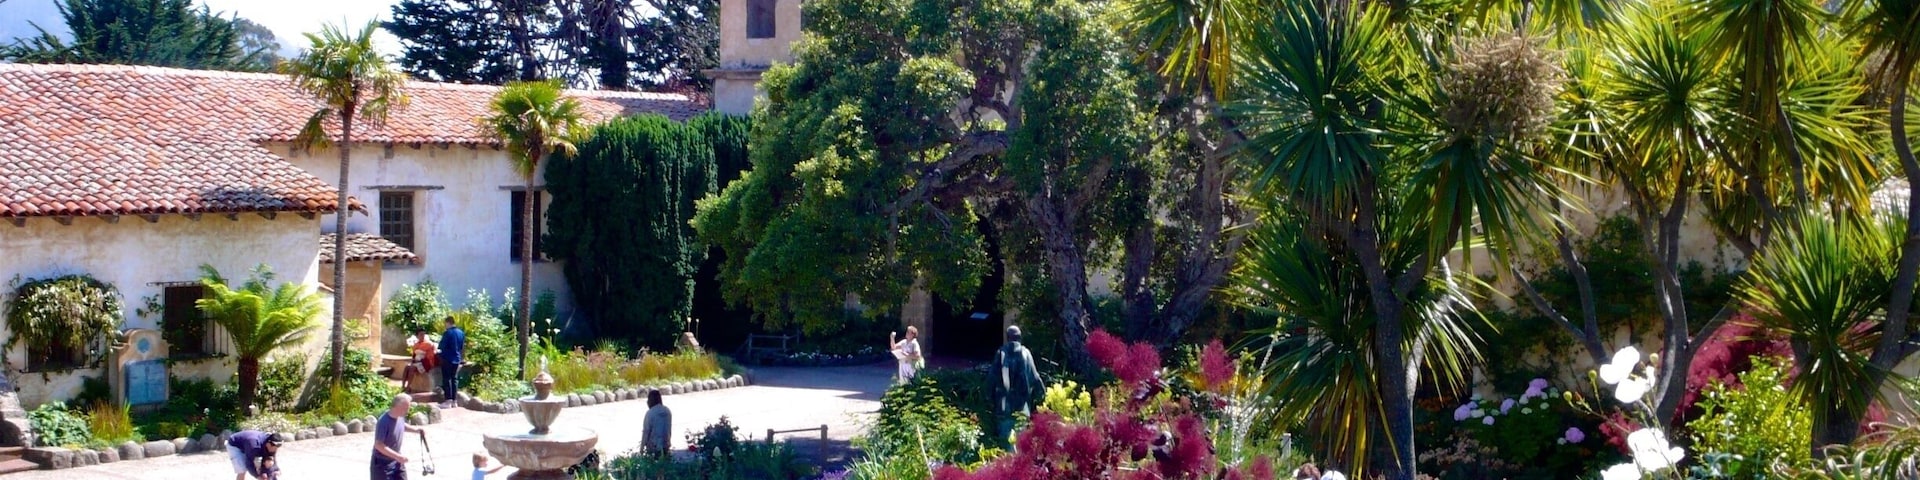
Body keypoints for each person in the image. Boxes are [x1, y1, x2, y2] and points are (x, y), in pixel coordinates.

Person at [988, 325, 1044, 450]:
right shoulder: (1026, 353)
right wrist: (1042, 396)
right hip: (1022, 406)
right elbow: (1035, 378)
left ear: (1008, 338)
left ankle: (1006, 465)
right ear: (1020, 337)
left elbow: (992, 378)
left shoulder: (1001, 353)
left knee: (1005, 440)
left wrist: (990, 399)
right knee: (1020, 440)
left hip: (1004, 406)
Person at [372, 393, 426, 480]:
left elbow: (401, 425)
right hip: (382, 464)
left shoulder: (399, 417)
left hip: (397, 461)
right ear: (398, 407)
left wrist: (416, 430)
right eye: (406, 408)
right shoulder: (383, 422)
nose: (408, 411)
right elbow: (378, 445)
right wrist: (397, 456)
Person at [437, 316, 466, 408]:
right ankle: (454, 401)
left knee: (447, 379)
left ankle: (448, 400)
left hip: (447, 358)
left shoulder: (447, 333)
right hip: (457, 359)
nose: (445, 326)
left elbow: (441, 346)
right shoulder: (461, 333)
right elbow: (462, 347)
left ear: (448, 322)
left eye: (445, 324)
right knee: (454, 379)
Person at [641, 389, 672, 457]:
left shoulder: (650, 413)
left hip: (654, 447)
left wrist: (641, 449)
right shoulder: (667, 411)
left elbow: (646, 432)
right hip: (666, 445)